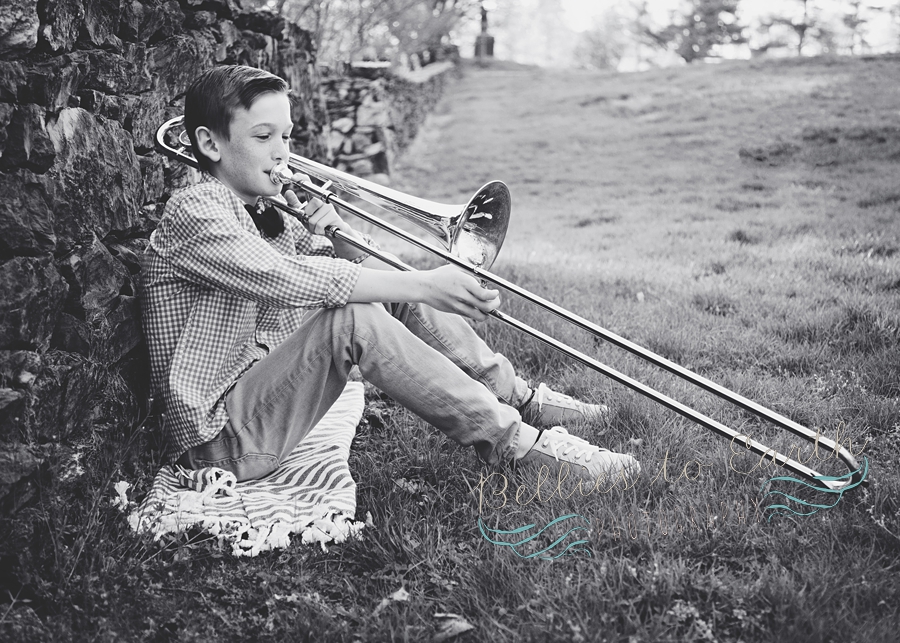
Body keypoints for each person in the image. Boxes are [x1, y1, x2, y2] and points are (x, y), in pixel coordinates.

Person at [141, 65, 640, 490]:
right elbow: (290, 277)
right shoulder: (197, 210)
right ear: (209, 143)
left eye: (287, 137)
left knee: (392, 285)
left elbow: (353, 272)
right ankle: (519, 446)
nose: (282, 154)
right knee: (357, 316)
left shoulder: (264, 211)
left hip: (262, 405)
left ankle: (517, 397)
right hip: (219, 443)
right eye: (263, 137)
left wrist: (337, 231)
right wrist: (424, 284)